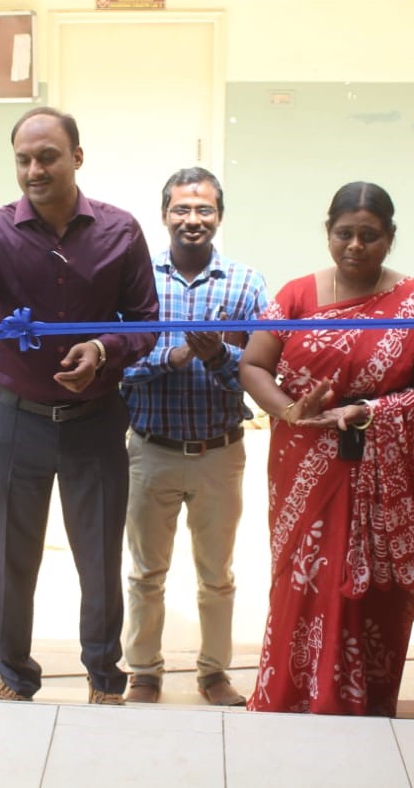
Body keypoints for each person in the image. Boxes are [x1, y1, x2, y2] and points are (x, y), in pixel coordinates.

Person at [0, 107, 159, 705]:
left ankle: (105, 678)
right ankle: (14, 677)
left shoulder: (121, 231)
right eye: (23, 160)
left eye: (48, 157)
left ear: (77, 158)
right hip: (16, 421)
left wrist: (102, 349)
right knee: (12, 559)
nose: (34, 170)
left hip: (96, 422)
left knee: (99, 557)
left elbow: (146, 323)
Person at [239, 182, 414, 716]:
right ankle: (291, 697)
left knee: (373, 586)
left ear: (390, 237)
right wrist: (291, 410)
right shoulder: (296, 296)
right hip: (303, 459)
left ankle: (363, 703)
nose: (355, 246)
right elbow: (253, 365)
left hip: (385, 464)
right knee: (303, 577)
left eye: (370, 235)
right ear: (328, 232)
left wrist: (371, 410)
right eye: (344, 234)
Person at [119, 167, 267, 706]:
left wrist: (220, 355)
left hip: (218, 452)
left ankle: (214, 673)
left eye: (204, 209)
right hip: (150, 449)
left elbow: (260, 371)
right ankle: (143, 672)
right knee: (145, 573)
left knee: (217, 574)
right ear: (164, 215)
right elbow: (118, 366)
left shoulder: (246, 284)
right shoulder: (137, 280)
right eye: (181, 208)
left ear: (219, 216)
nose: (192, 219)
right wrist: (176, 356)